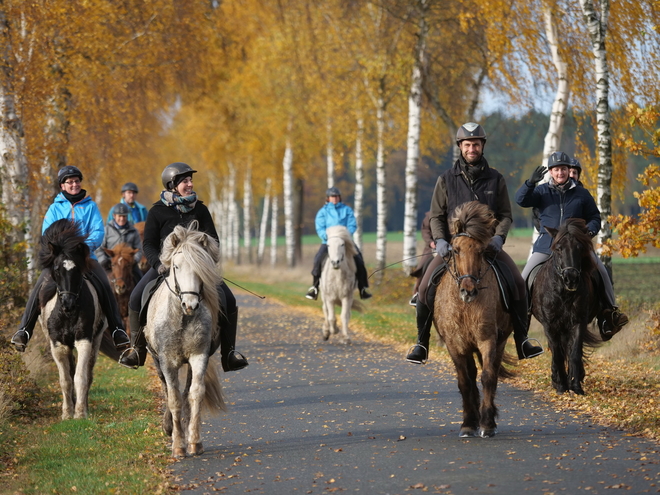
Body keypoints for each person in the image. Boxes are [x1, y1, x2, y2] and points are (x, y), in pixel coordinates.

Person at [406, 122, 543, 364]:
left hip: (487, 247)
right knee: (425, 288)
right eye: (467, 144)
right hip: (454, 249)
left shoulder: (496, 179)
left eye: (476, 144)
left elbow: (505, 215)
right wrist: (440, 241)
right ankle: (421, 342)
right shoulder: (446, 179)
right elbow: (437, 215)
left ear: (482, 146)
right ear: (460, 147)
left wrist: (499, 237)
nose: (472, 148)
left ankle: (523, 340)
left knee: (519, 284)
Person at [119, 162, 249, 371]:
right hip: (165, 267)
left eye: (190, 180)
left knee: (230, 300)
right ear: (172, 184)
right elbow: (149, 244)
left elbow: (213, 240)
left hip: (197, 269)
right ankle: (137, 350)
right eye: (185, 181)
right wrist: (158, 264)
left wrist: (204, 260)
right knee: (135, 298)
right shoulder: (157, 211)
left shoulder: (201, 209)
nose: (190, 184)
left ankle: (229, 353)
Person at [11, 166, 131, 352]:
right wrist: (63, 249)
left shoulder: (90, 206)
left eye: (76, 181)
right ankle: (24, 330)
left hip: (85, 258)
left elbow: (98, 231)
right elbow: (47, 234)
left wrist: (84, 247)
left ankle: (117, 330)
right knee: (40, 285)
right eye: (70, 182)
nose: (74, 184)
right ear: (62, 186)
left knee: (105, 286)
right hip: (60, 259)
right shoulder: (54, 208)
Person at [516, 151, 628, 340]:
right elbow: (521, 200)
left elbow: (594, 217)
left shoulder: (582, 193)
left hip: (576, 247)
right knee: (525, 276)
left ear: (570, 171)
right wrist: (530, 183)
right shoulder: (541, 191)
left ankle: (609, 315)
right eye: (557, 169)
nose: (561, 172)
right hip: (546, 246)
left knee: (601, 271)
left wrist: (589, 232)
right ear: (551, 171)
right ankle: (521, 321)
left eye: (564, 169)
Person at [305, 187, 372, 301]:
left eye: (336, 196)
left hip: (345, 241)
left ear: (339, 197)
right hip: (328, 242)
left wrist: (344, 236)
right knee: (317, 260)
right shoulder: (323, 212)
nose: (335, 198)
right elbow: (320, 227)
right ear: (328, 198)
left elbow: (352, 225)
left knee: (359, 260)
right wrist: (328, 237)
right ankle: (315, 288)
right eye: (332, 196)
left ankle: (362, 288)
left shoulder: (347, 210)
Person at [96, 203, 144, 284]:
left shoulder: (134, 231)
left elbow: (139, 249)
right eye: (119, 216)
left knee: (141, 279)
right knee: (99, 281)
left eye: (124, 216)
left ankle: (140, 295)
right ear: (114, 216)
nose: (122, 219)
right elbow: (99, 248)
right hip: (109, 264)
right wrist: (103, 260)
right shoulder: (106, 230)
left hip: (128, 265)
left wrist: (134, 260)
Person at [409, 211, 435, 307]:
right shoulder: (429, 216)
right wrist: (431, 242)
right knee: (423, 266)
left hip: (453, 247)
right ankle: (417, 293)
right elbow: (425, 231)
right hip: (433, 248)